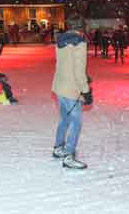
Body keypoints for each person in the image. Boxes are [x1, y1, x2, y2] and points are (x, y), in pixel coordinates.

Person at [52, 14, 93, 169]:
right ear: (81, 27)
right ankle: (69, 155)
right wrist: (86, 91)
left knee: (65, 119)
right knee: (76, 122)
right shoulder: (80, 43)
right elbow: (78, 70)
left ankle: (58, 147)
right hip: (71, 89)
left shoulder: (60, 41)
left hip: (59, 85)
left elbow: (64, 64)